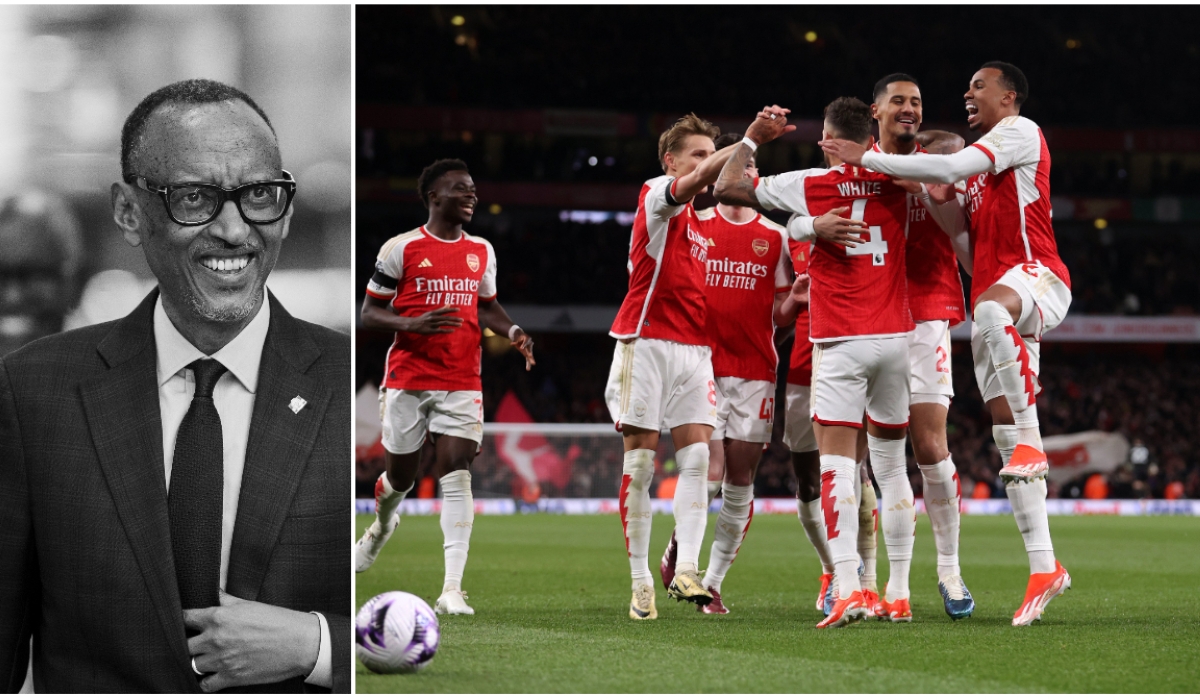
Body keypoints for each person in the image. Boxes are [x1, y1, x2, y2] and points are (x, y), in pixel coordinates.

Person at [0, 79, 350, 692]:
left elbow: (429, 626)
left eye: (260, 195)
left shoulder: (358, 384)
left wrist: (315, 646)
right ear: (128, 213)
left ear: (287, 207)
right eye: (196, 199)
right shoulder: (33, 393)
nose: (236, 232)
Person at [821, 61, 1073, 626]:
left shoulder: (1018, 133)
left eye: (978, 86)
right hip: (964, 304)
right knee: (1005, 440)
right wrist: (934, 194)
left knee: (980, 332)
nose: (967, 92)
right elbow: (965, 242)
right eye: (968, 87)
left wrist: (875, 159)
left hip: (1027, 281)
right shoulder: (970, 179)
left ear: (1008, 97)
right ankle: (1043, 566)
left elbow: (954, 160)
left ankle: (951, 566)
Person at [715, 97, 915, 628]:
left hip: (841, 341)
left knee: (837, 467)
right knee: (892, 468)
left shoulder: (809, 184)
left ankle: (848, 586)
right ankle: (898, 593)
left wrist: (755, 138)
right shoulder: (900, 175)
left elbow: (726, 188)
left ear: (827, 140)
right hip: (897, 337)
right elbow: (942, 163)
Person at [604, 109, 793, 620]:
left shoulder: (708, 223)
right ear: (672, 161)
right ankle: (641, 579)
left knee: (695, 461)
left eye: (712, 154)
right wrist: (751, 140)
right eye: (699, 155)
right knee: (641, 463)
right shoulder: (657, 196)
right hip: (644, 341)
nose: (709, 165)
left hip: (695, 352)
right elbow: (702, 181)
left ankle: (687, 566)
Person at [353, 159, 535, 616]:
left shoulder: (482, 251)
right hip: (409, 379)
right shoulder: (402, 248)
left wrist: (512, 333)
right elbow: (369, 313)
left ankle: (452, 588)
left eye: (473, 189)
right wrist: (411, 322)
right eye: (461, 189)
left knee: (456, 470)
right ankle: (381, 526)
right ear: (435, 197)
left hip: (461, 380)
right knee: (401, 479)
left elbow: (488, 307)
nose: (471, 196)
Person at [657, 131, 794, 614]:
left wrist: (796, 301)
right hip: (702, 366)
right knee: (710, 471)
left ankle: (712, 583)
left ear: (754, 178)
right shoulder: (696, 226)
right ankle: (685, 549)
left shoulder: (776, 237)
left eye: (748, 169)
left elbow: (779, 314)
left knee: (741, 481)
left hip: (757, 369)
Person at [869, 72, 976, 620]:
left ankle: (950, 568)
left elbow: (967, 241)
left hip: (928, 315)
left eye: (916, 101)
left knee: (930, 447)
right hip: (870, 317)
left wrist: (930, 182)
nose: (908, 109)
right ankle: (888, 581)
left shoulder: (943, 171)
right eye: (899, 102)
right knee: (880, 455)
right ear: (879, 111)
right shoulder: (864, 169)